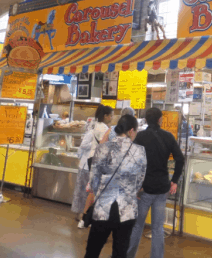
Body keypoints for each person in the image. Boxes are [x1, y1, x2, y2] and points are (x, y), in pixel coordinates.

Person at [84, 115, 147, 258]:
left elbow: (94, 181)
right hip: (126, 209)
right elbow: (140, 182)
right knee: (120, 251)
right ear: (131, 131)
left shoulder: (102, 148)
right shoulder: (140, 151)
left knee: (93, 250)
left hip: (103, 207)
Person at [127, 108, 185, 258]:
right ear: (160, 120)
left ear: (145, 120)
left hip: (143, 188)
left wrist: (135, 184)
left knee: (137, 226)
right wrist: (174, 181)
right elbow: (180, 158)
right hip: (162, 188)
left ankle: (128, 255)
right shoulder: (168, 136)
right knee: (157, 228)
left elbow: (131, 162)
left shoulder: (140, 137)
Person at [72, 104, 113, 228]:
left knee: (93, 191)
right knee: (97, 192)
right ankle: (90, 220)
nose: (112, 117)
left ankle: (84, 219)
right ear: (106, 116)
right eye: (111, 115)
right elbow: (106, 145)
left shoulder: (97, 126)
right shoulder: (104, 129)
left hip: (92, 160)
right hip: (99, 162)